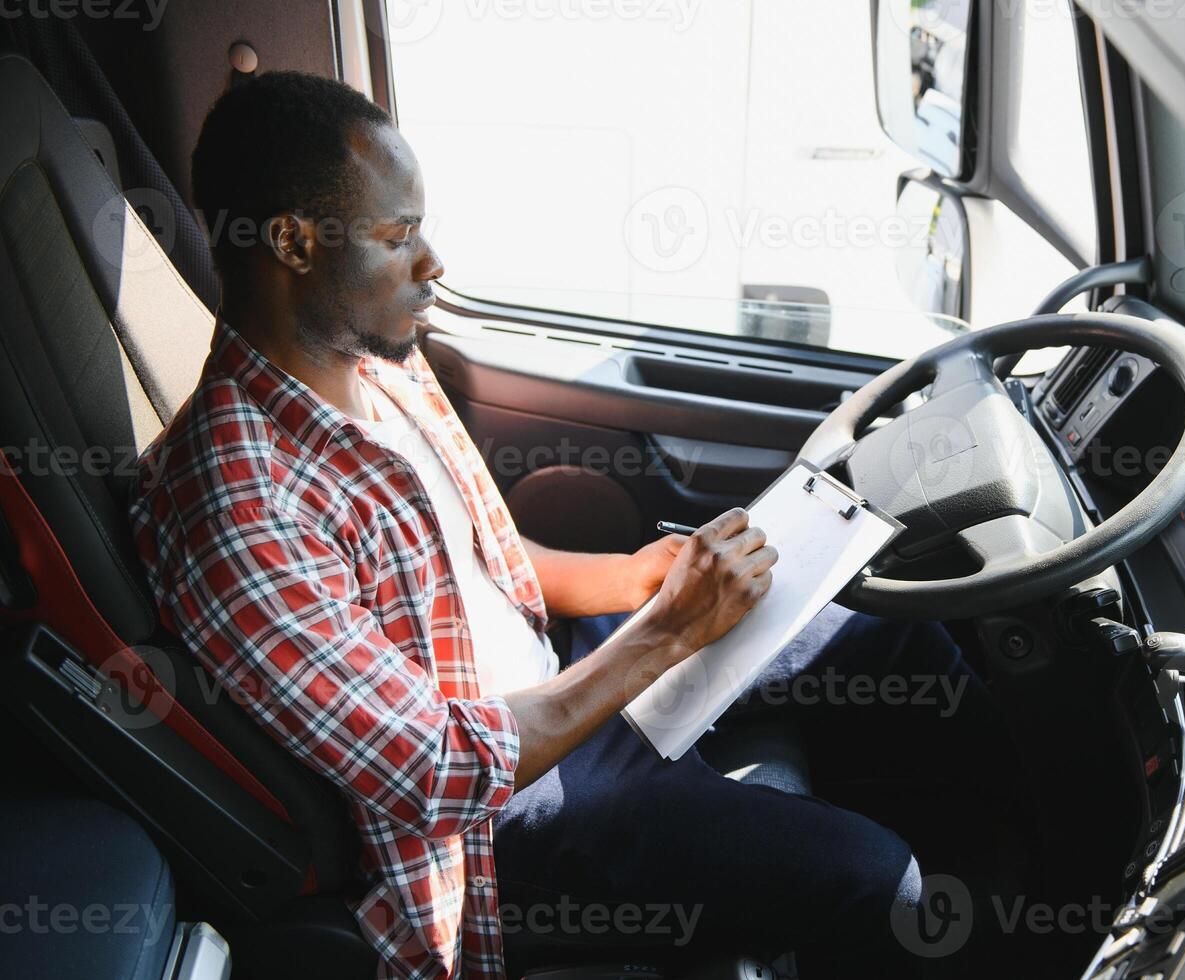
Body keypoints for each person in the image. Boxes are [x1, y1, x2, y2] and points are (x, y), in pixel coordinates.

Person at [131, 71, 1012, 980]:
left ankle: (1031, 881)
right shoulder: (238, 502)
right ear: (293, 243)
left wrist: (633, 579)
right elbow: (436, 770)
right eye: (399, 237)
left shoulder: (372, 363)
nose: (432, 261)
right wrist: (669, 632)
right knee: (883, 884)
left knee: (887, 643)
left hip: (557, 674)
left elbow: (480, 561)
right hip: (503, 814)